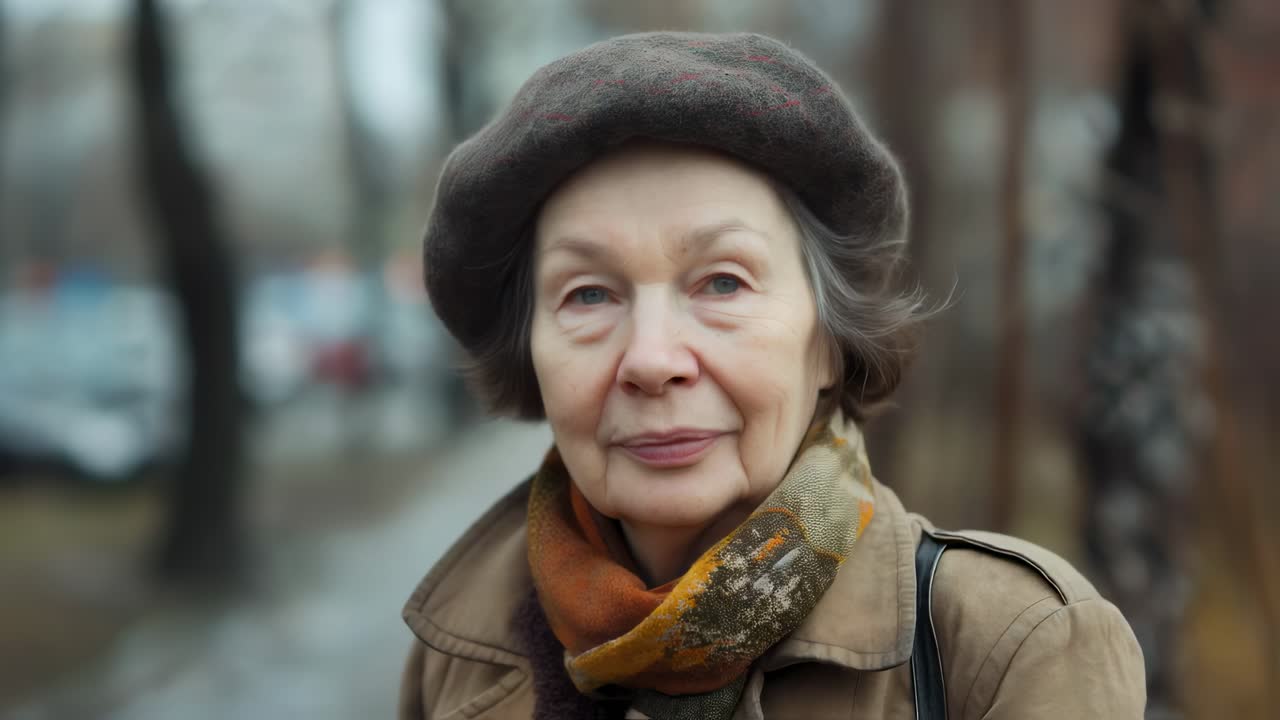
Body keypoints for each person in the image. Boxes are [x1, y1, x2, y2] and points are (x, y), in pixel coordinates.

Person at [400, 31, 1146, 720]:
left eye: (722, 283)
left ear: (827, 340)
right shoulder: (457, 652)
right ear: (529, 348)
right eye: (588, 294)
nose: (653, 361)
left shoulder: (1008, 647)